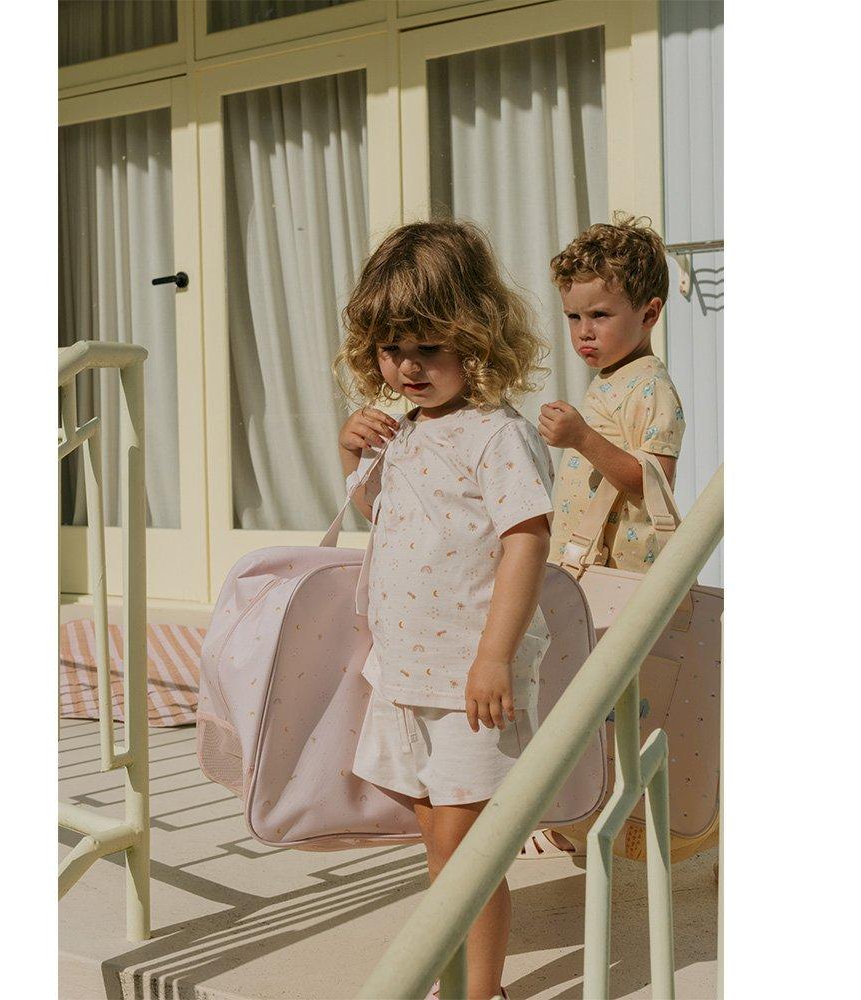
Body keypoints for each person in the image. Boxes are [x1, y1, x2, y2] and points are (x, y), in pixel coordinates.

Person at [334, 220, 553, 1000]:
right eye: (392, 349)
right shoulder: (405, 432)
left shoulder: (496, 435)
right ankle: (460, 973)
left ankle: (477, 991)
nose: (408, 367)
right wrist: (353, 451)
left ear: (477, 335)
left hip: (468, 682)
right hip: (406, 674)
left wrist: (494, 656)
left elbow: (526, 539)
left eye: (428, 347)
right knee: (438, 836)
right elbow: (386, 518)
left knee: (466, 852)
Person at [518, 214, 686, 861]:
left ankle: (593, 815)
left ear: (649, 313)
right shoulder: (612, 379)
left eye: (600, 315)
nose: (584, 332)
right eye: (573, 317)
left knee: (606, 703)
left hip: (623, 576)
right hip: (589, 569)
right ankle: (574, 812)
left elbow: (655, 484)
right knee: (574, 692)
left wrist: (582, 438)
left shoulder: (651, 387)